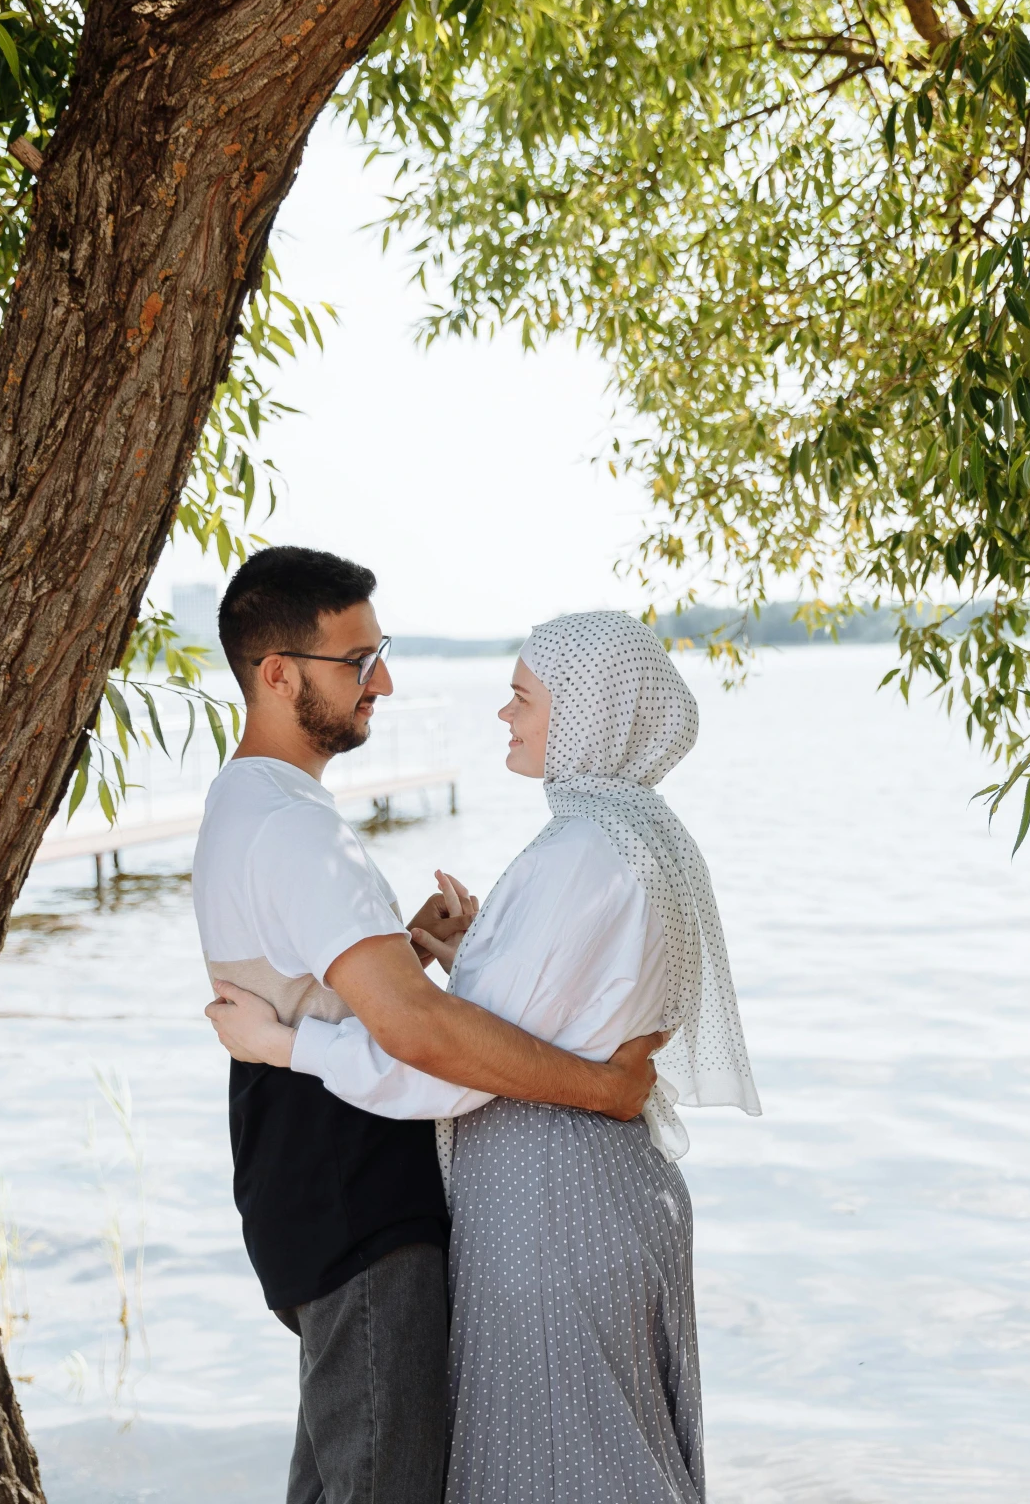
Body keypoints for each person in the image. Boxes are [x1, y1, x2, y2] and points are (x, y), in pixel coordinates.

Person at [212, 609, 762, 1504]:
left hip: (551, 1201)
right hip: (609, 1188)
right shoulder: (643, 833)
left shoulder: (582, 850)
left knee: (564, 1470)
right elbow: (565, 1007)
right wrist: (471, 957)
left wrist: (284, 1043)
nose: (504, 716)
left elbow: (440, 1062)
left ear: (587, 712)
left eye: (522, 697)